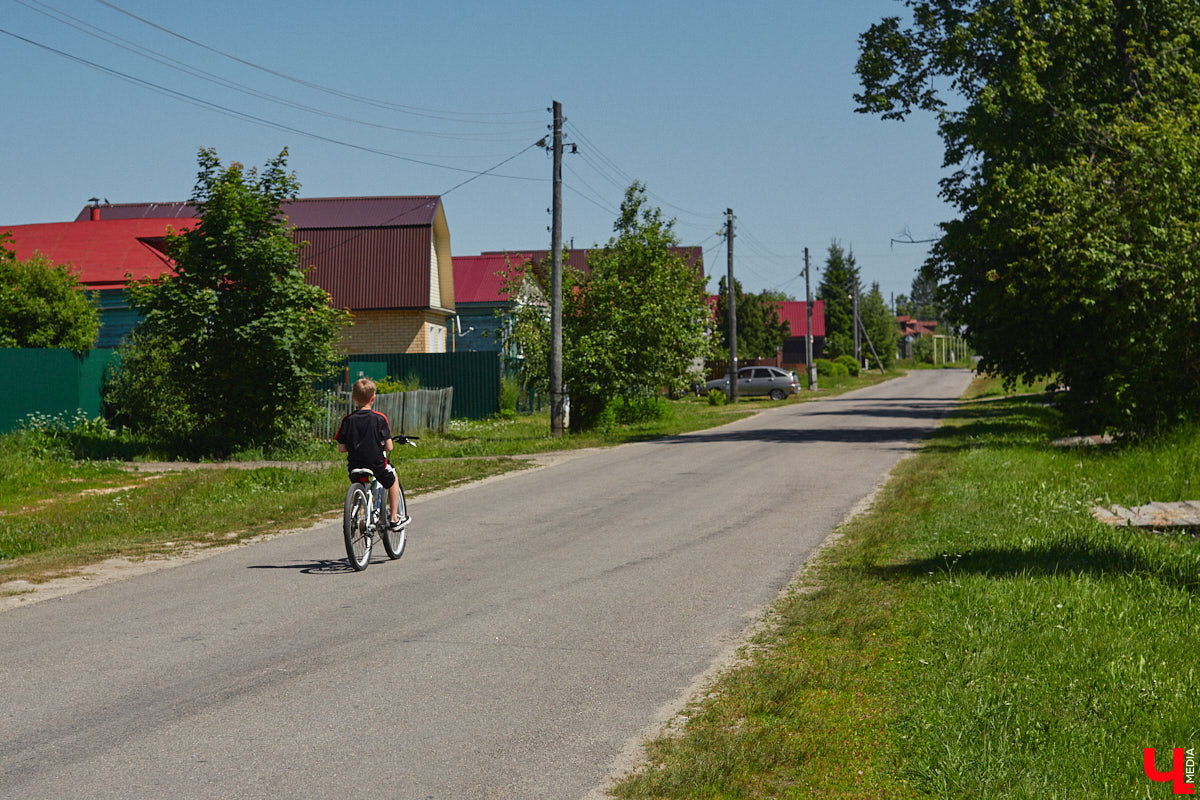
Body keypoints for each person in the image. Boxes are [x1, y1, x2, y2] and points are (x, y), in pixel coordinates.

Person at [335, 377, 404, 531]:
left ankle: (355, 511)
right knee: (393, 478)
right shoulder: (379, 418)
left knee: (360, 483)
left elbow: (341, 448)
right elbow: (389, 447)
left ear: (354, 398)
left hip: (354, 466)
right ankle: (394, 518)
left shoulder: (347, 420)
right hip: (376, 465)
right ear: (373, 398)